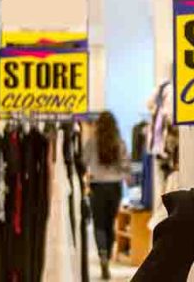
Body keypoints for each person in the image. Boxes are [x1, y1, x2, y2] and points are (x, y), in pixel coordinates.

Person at [84, 111, 128, 280]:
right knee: (110, 224)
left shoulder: (92, 142)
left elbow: (83, 161)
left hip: (97, 186)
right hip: (115, 187)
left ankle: (102, 255)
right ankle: (107, 257)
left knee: (99, 224)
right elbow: (125, 166)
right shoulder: (119, 143)